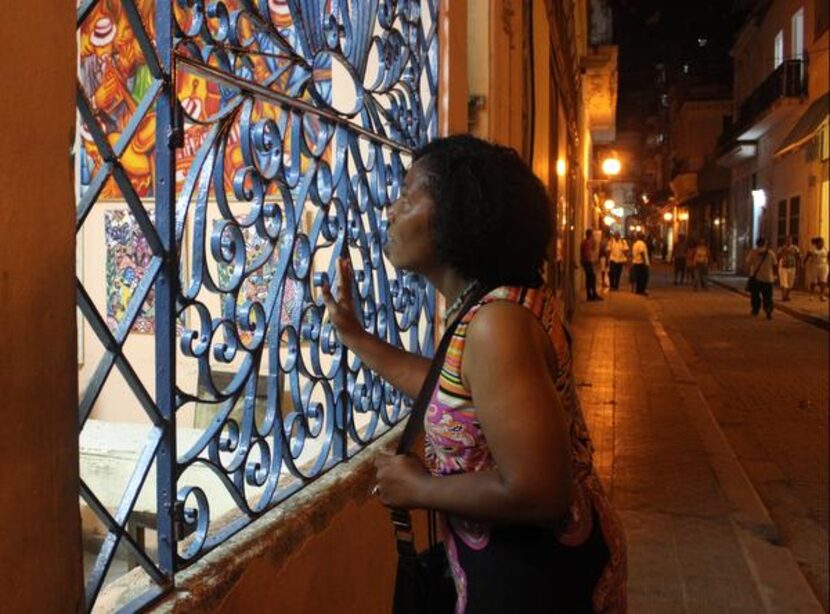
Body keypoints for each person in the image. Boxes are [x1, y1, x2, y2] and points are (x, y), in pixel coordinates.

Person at [322, 135, 626, 612]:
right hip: (526, 573)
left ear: (460, 212)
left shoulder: (497, 324)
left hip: (536, 583)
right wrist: (356, 336)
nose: (391, 212)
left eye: (407, 195)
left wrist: (419, 488)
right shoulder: (488, 309)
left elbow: (540, 489)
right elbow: (451, 389)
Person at [746, 237, 777, 319]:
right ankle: (768, 309)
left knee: (755, 295)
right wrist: (775, 275)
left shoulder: (753, 252)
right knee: (768, 296)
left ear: (757, 243)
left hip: (756, 278)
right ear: (765, 243)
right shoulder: (770, 253)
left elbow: (748, 262)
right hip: (768, 278)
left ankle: (755, 309)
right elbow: (775, 264)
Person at [580, 229, 603, 301]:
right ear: (590, 235)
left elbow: (593, 250)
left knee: (590, 278)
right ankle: (591, 295)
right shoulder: (586, 242)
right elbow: (587, 253)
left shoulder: (585, 242)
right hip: (587, 262)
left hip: (587, 261)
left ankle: (591, 294)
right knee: (591, 278)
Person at [804, 237, 829, 301]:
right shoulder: (812, 249)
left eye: (822, 242)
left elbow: (828, 257)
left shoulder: (826, 249)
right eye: (820, 242)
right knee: (814, 281)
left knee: (823, 281)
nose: (822, 244)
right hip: (815, 266)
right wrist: (804, 263)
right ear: (817, 243)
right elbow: (807, 257)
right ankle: (811, 295)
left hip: (824, 266)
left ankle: (822, 295)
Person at [776, 235, 799, 302]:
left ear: (792, 240)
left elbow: (798, 257)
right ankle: (783, 296)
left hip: (792, 267)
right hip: (783, 267)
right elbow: (778, 256)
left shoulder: (795, 248)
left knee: (790, 283)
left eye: (790, 240)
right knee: (783, 282)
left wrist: (798, 266)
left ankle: (787, 296)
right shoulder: (781, 248)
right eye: (787, 240)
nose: (789, 241)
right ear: (785, 241)